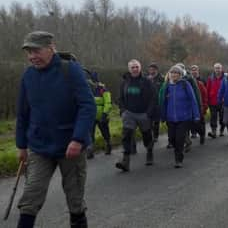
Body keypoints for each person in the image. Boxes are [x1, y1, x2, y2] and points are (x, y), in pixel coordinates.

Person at [15, 31, 96, 228]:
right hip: (39, 146)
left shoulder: (71, 70)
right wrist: (21, 145)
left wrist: (77, 139)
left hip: (71, 147)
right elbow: (23, 112)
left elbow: (87, 106)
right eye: (29, 52)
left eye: (36, 51)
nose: (32, 56)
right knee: (30, 198)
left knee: (75, 199)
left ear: (51, 48)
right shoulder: (28, 76)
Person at [116, 59, 156, 172]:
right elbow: (120, 98)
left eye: (136, 67)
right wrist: (123, 110)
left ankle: (149, 152)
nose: (135, 69)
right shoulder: (125, 82)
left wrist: (149, 113)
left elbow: (153, 98)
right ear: (129, 69)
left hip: (143, 113)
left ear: (140, 68)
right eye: (132, 67)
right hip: (129, 113)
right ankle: (125, 161)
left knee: (147, 135)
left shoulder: (147, 81)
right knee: (126, 135)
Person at [160, 65, 201, 168]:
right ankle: (178, 150)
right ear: (169, 74)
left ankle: (178, 159)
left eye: (176, 73)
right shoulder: (167, 86)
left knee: (179, 139)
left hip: (184, 118)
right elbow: (163, 102)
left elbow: (193, 100)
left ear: (180, 75)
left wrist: (196, 114)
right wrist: (163, 116)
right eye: (172, 73)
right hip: (170, 118)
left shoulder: (185, 84)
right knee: (172, 139)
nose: (174, 75)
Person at [87, 73, 112, 159]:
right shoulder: (87, 88)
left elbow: (108, 102)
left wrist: (105, 114)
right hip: (91, 115)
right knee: (90, 134)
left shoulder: (103, 89)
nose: (93, 82)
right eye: (92, 81)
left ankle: (108, 144)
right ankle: (90, 151)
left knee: (105, 132)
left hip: (102, 115)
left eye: (94, 81)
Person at [206, 63, 225, 138]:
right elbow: (207, 89)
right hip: (212, 101)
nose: (217, 70)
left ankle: (222, 129)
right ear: (214, 69)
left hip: (222, 101)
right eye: (216, 68)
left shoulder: (225, 78)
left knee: (222, 117)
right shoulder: (210, 78)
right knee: (213, 117)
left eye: (219, 68)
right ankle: (213, 131)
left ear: (221, 69)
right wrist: (207, 100)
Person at [147, 63, 164, 142]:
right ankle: (150, 134)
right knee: (149, 120)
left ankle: (156, 135)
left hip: (158, 103)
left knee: (156, 121)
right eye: (150, 69)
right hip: (149, 103)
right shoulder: (147, 79)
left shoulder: (161, 78)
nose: (151, 71)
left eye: (153, 69)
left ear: (156, 70)